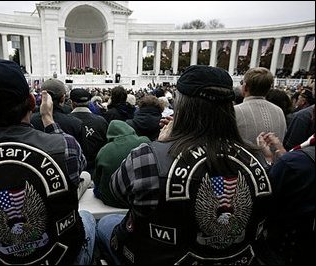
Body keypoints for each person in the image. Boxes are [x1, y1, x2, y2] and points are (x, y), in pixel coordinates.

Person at [96, 65, 272, 264]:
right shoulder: (259, 160)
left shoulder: (147, 158)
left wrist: (161, 145)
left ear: (180, 105)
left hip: (153, 256)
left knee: (105, 223)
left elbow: (116, 192)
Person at [0, 59, 96, 265]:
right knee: (88, 217)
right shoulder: (66, 147)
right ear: (32, 102)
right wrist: (48, 120)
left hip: (2, 259)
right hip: (65, 258)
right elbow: (77, 164)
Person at [256, 132, 315, 265]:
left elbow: (265, 200)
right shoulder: (295, 161)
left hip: (288, 251)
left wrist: (268, 160)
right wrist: (282, 151)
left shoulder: (293, 162)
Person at [93, 120, 150, 208]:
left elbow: (96, 179)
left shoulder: (105, 149)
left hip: (112, 200)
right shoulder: (145, 141)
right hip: (141, 197)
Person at [234, 67, 286, 145]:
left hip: (244, 157)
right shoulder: (279, 111)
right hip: (276, 156)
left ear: (245, 87)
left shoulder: (235, 111)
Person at [69, 88, 108, 175]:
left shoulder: (65, 122)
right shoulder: (101, 121)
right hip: (96, 171)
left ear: (72, 103)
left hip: (74, 172)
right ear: (88, 102)